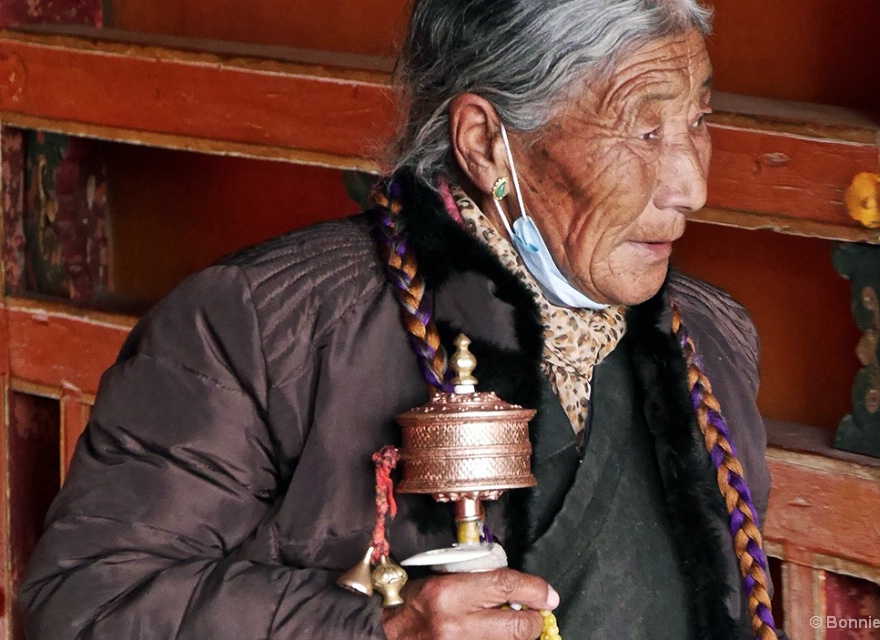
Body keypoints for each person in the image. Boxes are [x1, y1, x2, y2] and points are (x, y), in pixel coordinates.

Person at [20, 1, 782, 638]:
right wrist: (376, 629)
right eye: (645, 132)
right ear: (486, 143)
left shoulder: (711, 339)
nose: (691, 184)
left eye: (699, 123)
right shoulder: (267, 325)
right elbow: (83, 605)